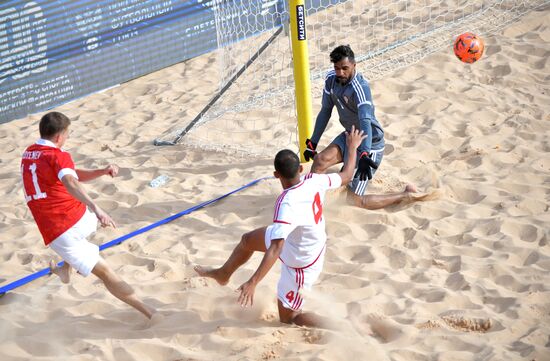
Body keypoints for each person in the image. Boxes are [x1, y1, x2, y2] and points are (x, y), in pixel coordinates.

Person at [194, 126, 366, 328]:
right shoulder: (314, 180)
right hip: (301, 238)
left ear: (276, 175)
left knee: (290, 318)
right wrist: (352, 147)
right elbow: (346, 175)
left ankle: (343, 324)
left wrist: (253, 282)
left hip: (302, 259)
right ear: (301, 169)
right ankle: (223, 274)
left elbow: (276, 248)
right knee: (247, 240)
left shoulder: (286, 203)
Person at [21, 111, 155, 319]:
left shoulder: (29, 152)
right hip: (76, 222)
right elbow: (71, 181)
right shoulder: (58, 155)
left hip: (65, 225)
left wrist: (101, 172)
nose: (68, 137)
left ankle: (67, 266)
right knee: (106, 272)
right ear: (59, 137)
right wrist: (96, 208)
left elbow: (71, 175)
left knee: (98, 266)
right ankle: (151, 314)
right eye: (67, 134)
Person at [304, 45, 421, 210]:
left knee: (354, 200)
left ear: (354, 65)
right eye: (337, 68)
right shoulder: (331, 80)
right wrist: (313, 142)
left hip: (370, 142)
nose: (340, 73)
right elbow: (325, 111)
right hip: (350, 135)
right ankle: (308, 204)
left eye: (345, 68)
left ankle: (406, 195)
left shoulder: (361, 88)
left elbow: (365, 121)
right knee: (319, 160)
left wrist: (365, 153)